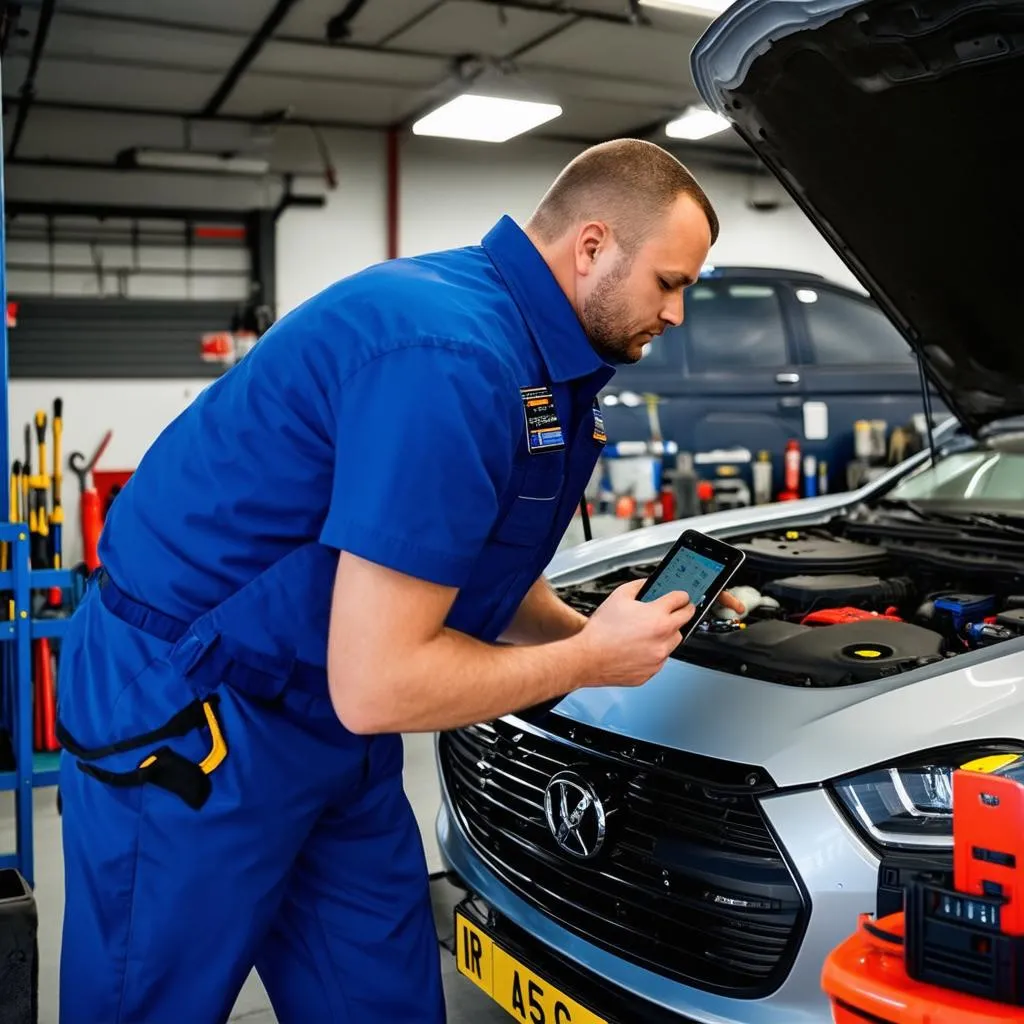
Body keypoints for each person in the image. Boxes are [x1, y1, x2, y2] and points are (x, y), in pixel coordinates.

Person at [56, 137, 735, 1023]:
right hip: (195, 713)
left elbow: (460, 571)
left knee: (381, 1000)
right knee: (149, 1003)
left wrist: (593, 636)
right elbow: (381, 683)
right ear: (594, 246)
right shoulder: (453, 359)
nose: (678, 314)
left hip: (328, 716)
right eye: (671, 283)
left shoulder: (538, 358)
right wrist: (588, 666)